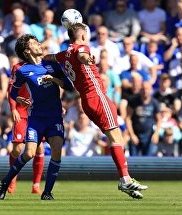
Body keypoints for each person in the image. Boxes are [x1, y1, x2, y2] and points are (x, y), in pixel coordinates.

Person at [44, 23, 148, 199]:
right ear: (83, 36)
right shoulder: (81, 47)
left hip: (86, 101)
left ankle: (126, 179)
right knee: (116, 138)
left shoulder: (64, 54)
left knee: (116, 138)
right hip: (97, 96)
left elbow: (50, 57)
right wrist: (87, 60)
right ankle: (124, 179)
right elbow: (82, 55)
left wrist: (39, 59)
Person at [0, 34, 74, 201]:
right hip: (36, 118)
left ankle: (47, 192)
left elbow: (68, 85)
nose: (39, 44)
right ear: (27, 51)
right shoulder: (22, 71)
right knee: (29, 153)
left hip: (54, 116)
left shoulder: (52, 65)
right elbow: (14, 90)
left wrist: (53, 79)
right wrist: (17, 99)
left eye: (38, 42)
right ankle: (5, 182)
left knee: (56, 150)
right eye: (34, 43)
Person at [7, 62, 44, 194]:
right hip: (21, 112)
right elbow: (11, 90)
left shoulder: (44, 66)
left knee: (39, 147)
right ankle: (11, 180)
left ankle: (36, 186)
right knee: (17, 150)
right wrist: (13, 109)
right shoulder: (18, 67)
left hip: (38, 112)